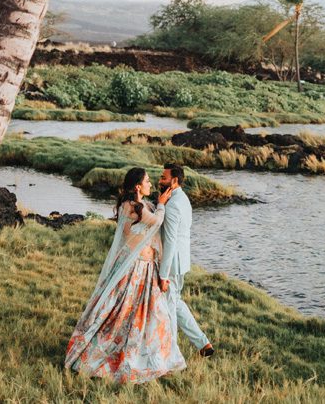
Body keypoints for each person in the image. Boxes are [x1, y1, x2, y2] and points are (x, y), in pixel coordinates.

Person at [65, 167, 186, 384]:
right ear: (138, 186)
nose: (152, 184)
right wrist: (162, 203)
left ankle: (155, 355)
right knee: (123, 313)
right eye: (148, 181)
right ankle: (114, 353)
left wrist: (159, 203)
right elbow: (157, 221)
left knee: (154, 315)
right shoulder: (132, 206)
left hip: (147, 268)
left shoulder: (141, 205)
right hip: (136, 269)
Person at [157, 163, 214, 358]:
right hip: (182, 261)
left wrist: (163, 274)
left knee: (170, 308)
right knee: (176, 302)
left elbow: (171, 240)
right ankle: (203, 343)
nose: (159, 180)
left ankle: (171, 355)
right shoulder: (181, 198)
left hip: (172, 264)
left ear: (174, 180)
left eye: (163, 178)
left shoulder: (172, 205)